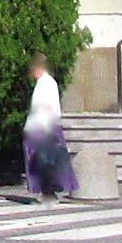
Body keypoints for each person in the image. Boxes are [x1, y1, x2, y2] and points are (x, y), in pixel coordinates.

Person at [21, 53, 76, 202]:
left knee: (40, 160)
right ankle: (49, 191)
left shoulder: (44, 84)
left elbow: (41, 109)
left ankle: (46, 191)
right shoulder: (48, 83)